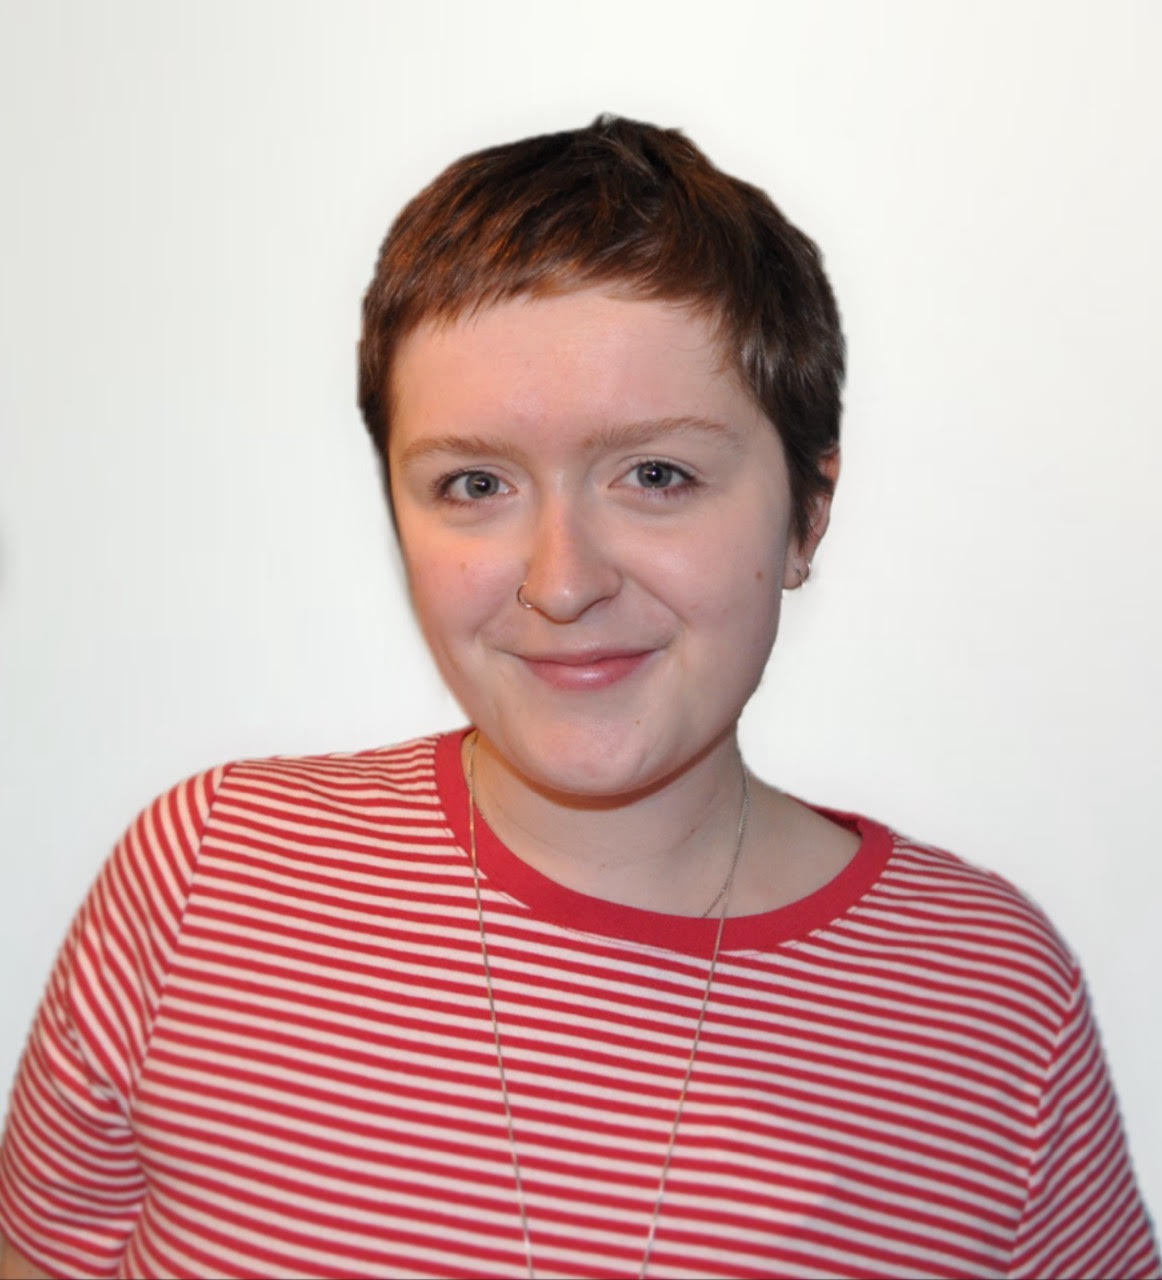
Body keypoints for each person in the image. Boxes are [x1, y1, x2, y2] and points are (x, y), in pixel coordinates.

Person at [0, 115, 1157, 1280]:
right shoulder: (205, 877)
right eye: (474, 482)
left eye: (656, 474)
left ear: (807, 514)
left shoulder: (991, 1004)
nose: (561, 582)